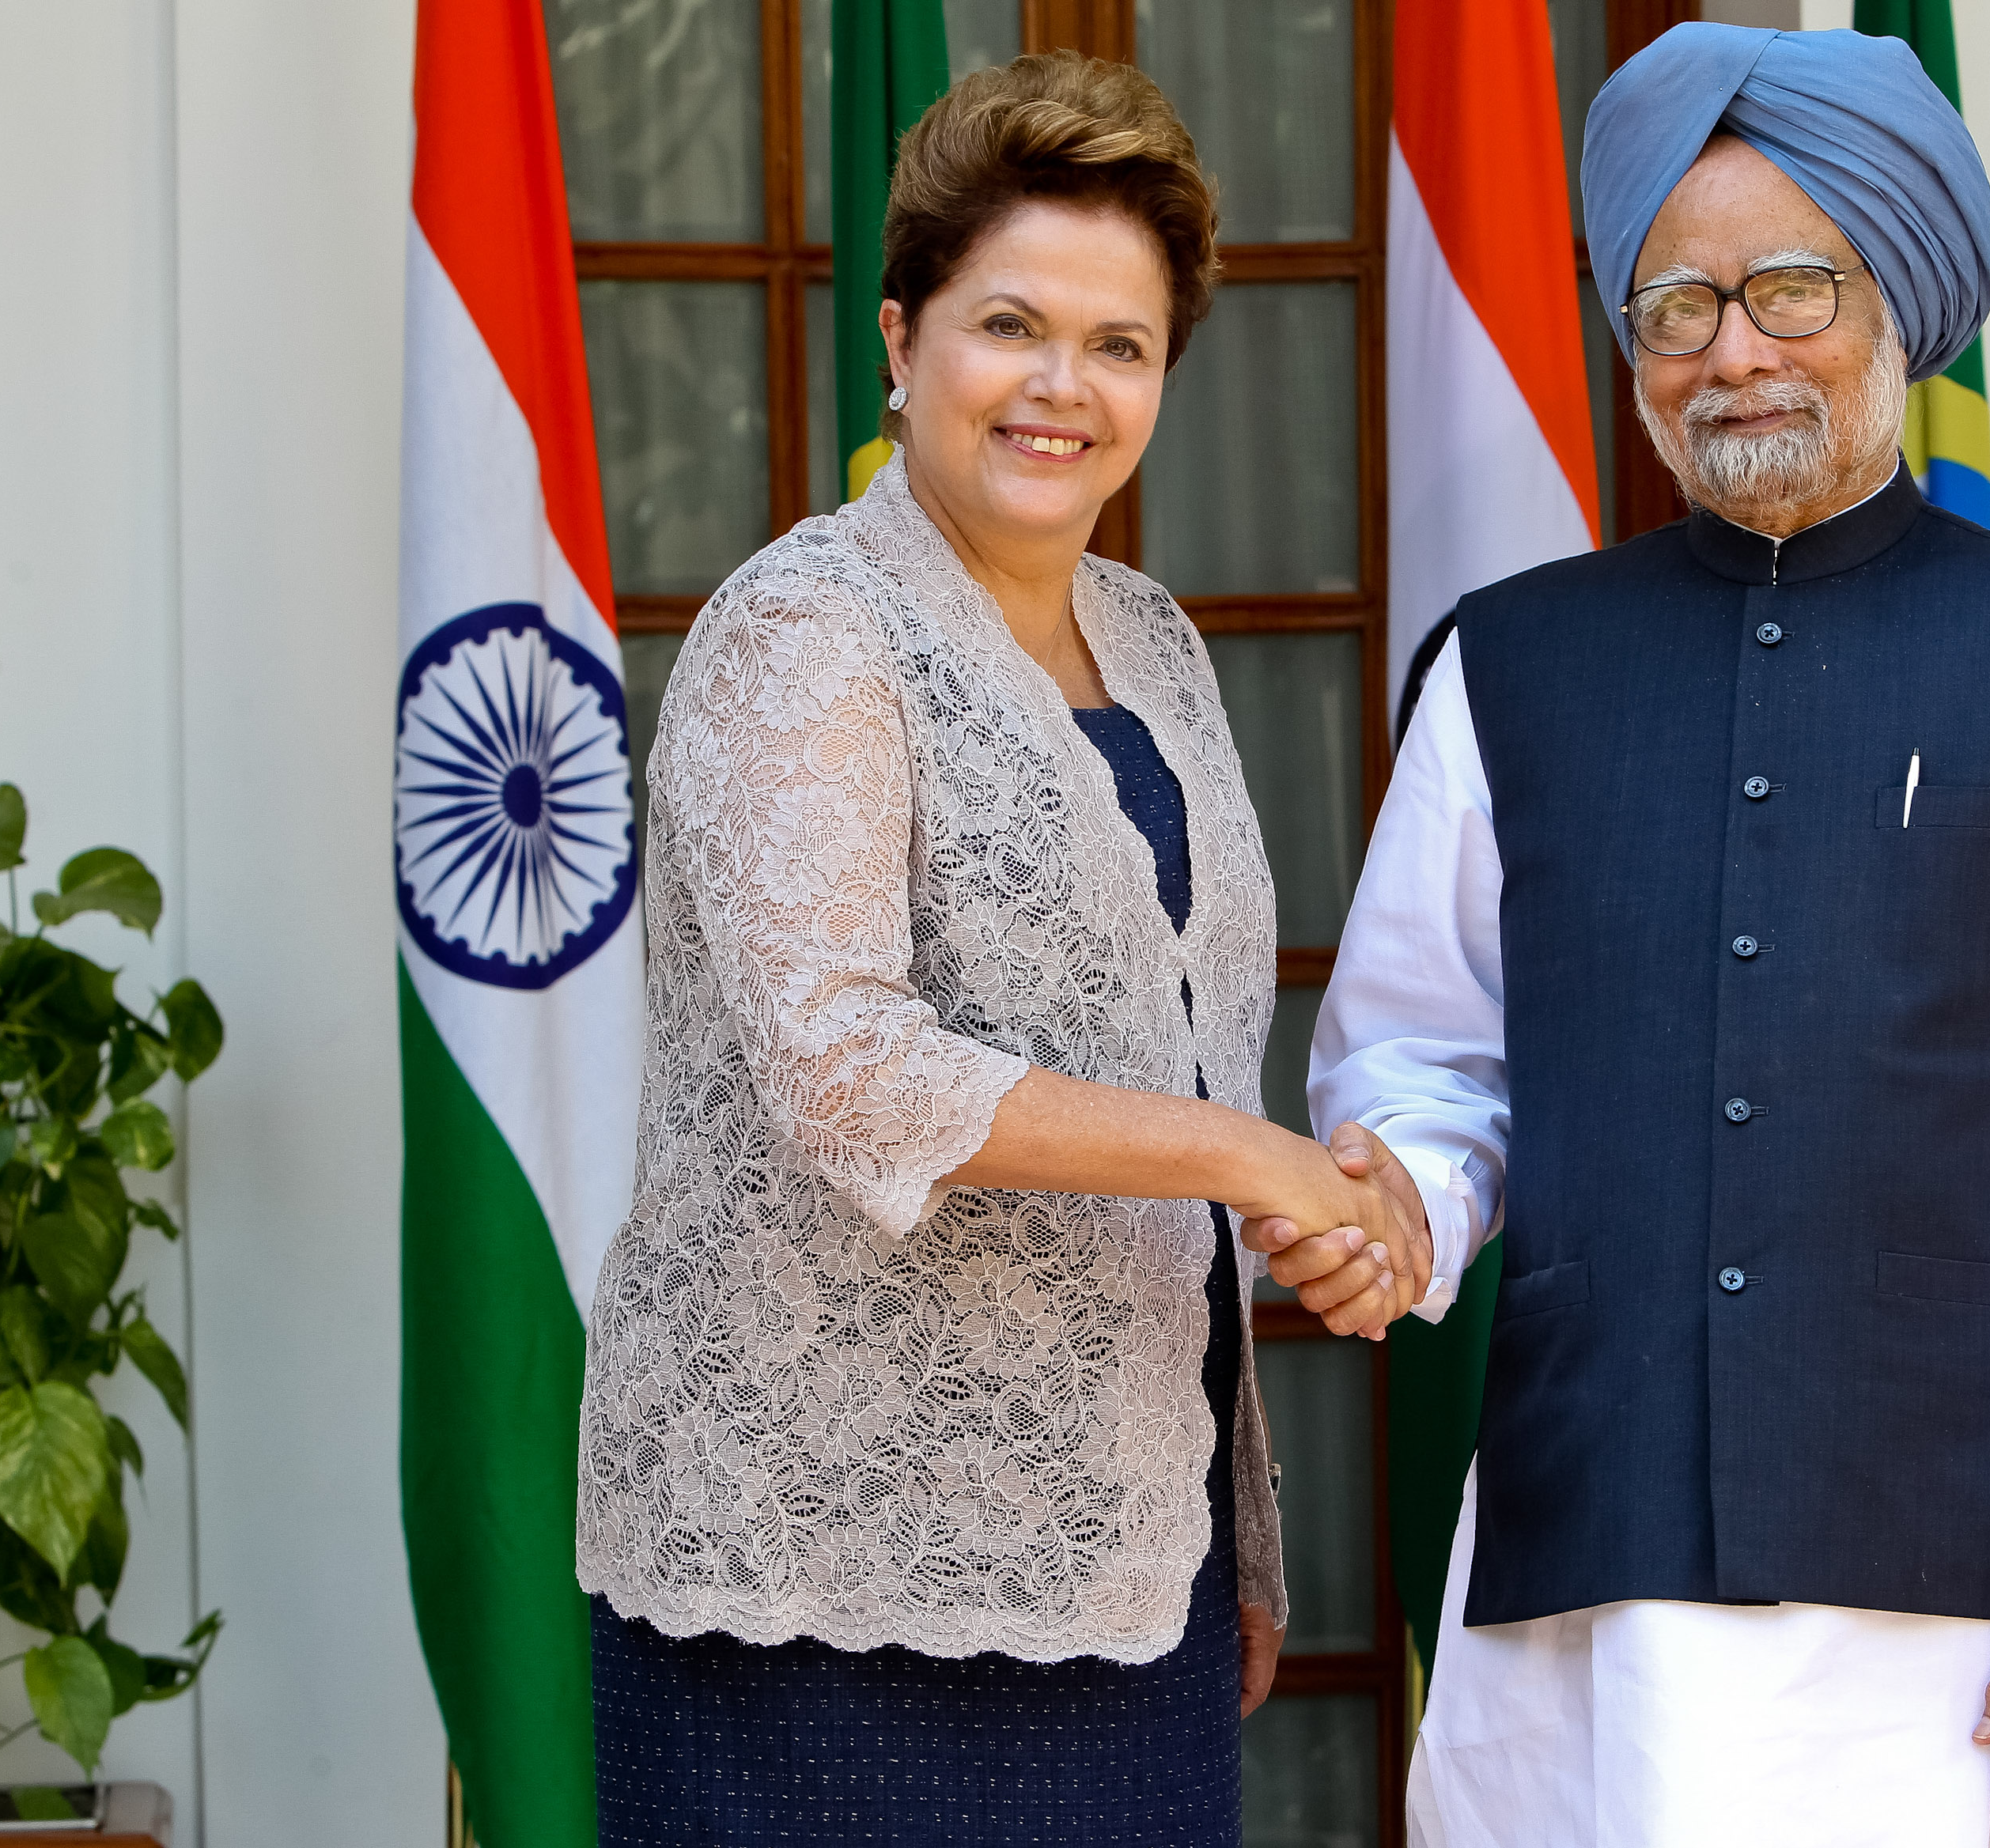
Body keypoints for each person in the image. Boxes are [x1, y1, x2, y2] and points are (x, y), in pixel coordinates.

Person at [1250, 23, 1990, 1847]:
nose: (1734, 346)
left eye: (1790, 287)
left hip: (1958, 1614)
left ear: (1897, 298)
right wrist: (1401, 1208)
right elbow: (1428, 1059)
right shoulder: (1506, 669)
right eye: (1677, 302)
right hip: (1591, 1593)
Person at [573, 51, 1417, 1846]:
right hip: (826, 1591)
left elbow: (1188, 1058)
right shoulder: (806, 629)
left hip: (1131, 1571)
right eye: (1010, 324)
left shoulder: (1154, 640)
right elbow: (847, 1068)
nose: (1063, 387)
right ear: (901, 338)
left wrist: (1235, 1512)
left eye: (1119, 345)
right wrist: (1247, 1159)